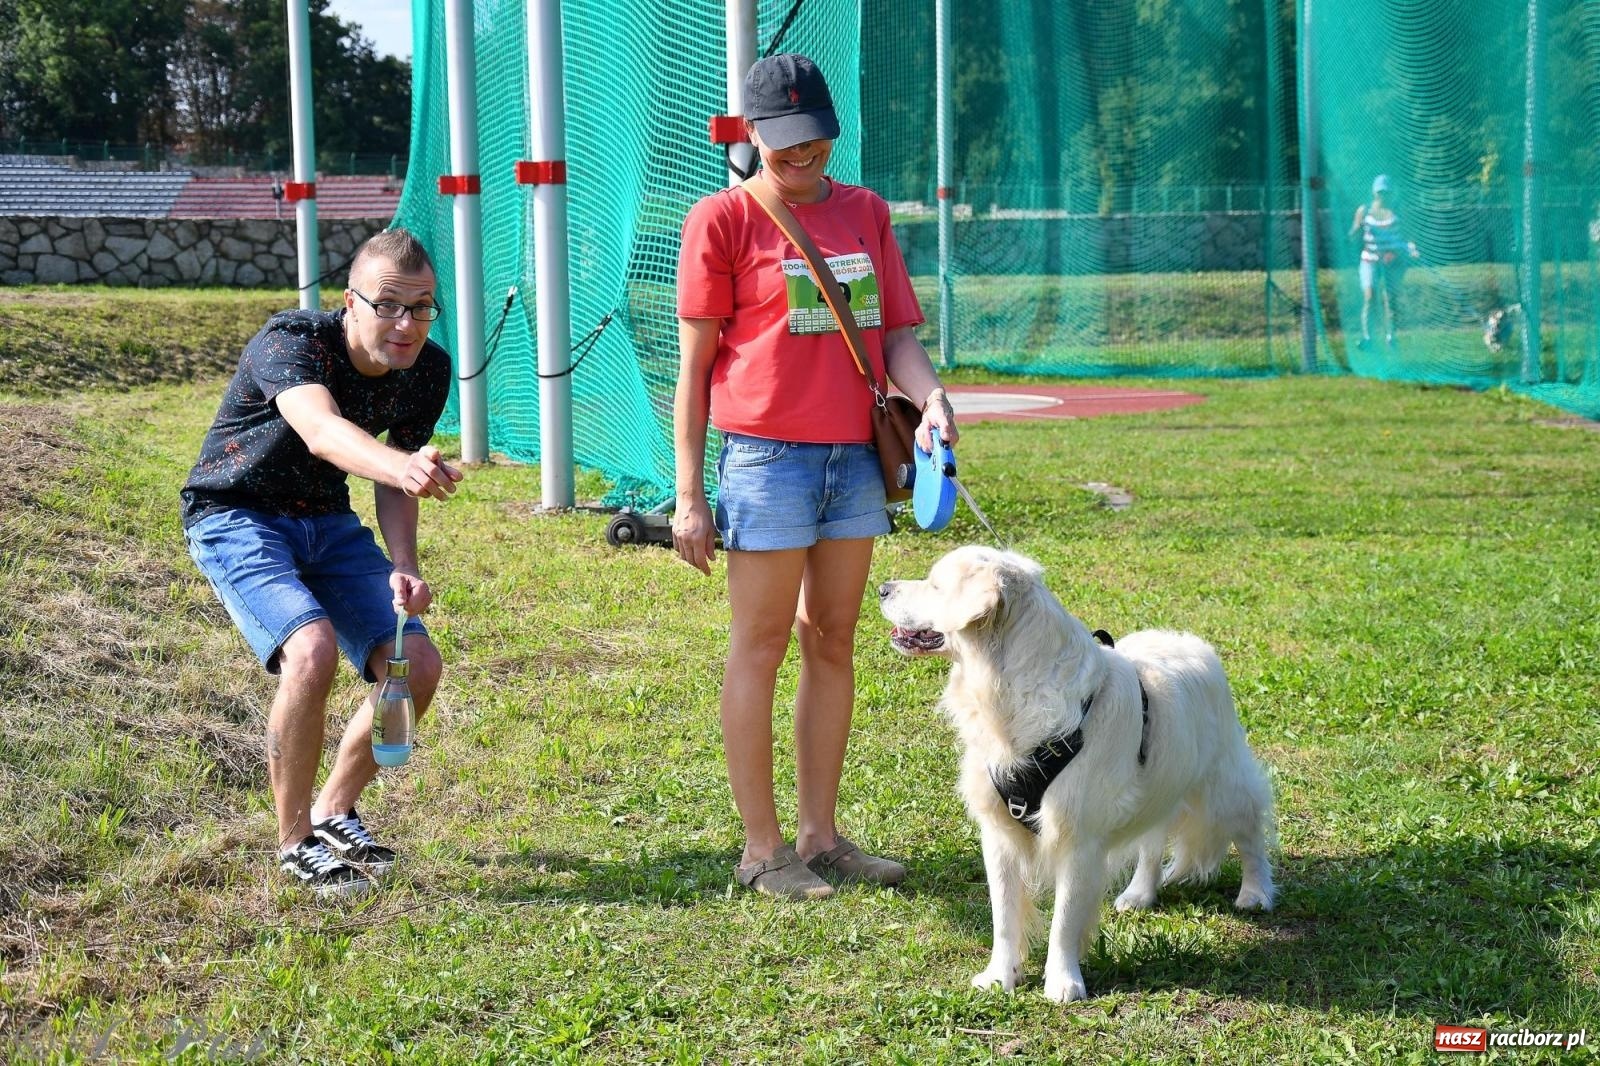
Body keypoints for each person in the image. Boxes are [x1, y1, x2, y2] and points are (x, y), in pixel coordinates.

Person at [672, 53, 958, 900]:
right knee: (759, 646)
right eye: (785, 143)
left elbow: (896, 334)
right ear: (751, 133)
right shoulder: (721, 220)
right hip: (765, 459)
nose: (803, 158)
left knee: (833, 641)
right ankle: (763, 851)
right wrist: (691, 494)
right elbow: (695, 373)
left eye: (817, 141)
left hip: (858, 459)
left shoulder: (866, 212)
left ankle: (821, 836)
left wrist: (932, 398)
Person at [181, 228, 462, 897]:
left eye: (422, 307)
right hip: (236, 514)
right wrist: (401, 463)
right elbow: (323, 429)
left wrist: (405, 562)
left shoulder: (426, 368)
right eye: (388, 305)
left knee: (416, 667)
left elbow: (396, 480)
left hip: (327, 523)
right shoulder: (293, 342)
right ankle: (293, 842)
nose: (406, 323)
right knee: (311, 652)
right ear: (350, 302)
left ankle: (335, 808)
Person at [1348, 173, 1420, 349]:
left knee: (1390, 298)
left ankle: (1391, 336)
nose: (1383, 196)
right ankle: (1368, 338)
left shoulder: (1398, 211)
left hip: (1392, 261)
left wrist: (1412, 248)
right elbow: (1353, 234)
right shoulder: (1364, 210)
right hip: (1369, 260)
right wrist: (1356, 230)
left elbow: (1409, 235)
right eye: (1380, 192)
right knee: (1370, 297)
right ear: (1374, 193)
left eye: (1386, 192)